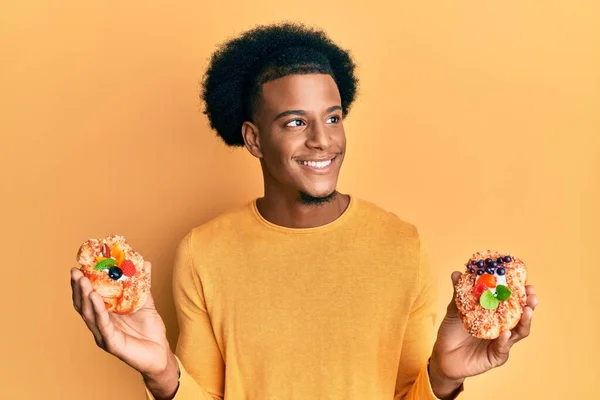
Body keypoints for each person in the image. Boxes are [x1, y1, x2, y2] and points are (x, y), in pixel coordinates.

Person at [70, 22, 538, 400]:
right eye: (296, 122)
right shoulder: (203, 253)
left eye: (332, 117)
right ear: (254, 139)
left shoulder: (402, 245)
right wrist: (162, 374)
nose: (323, 140)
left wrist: (442, 379)